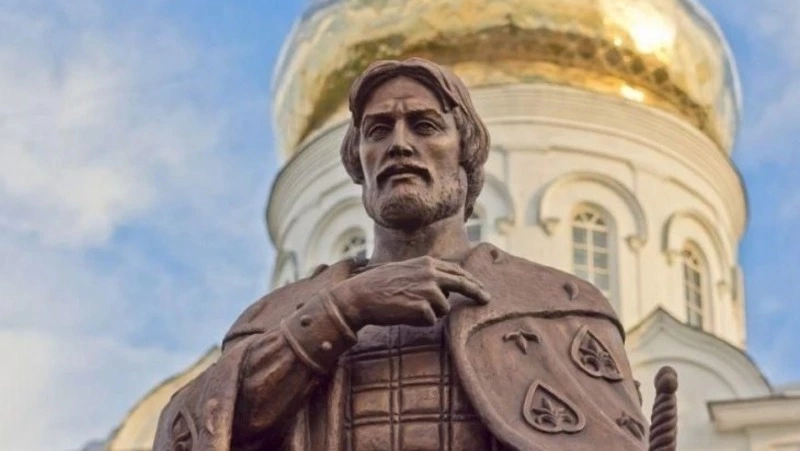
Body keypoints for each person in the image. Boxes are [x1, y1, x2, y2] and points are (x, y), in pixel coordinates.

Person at [155, 57, 651, 451]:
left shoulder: (559, 308)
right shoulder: (278, 318)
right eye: (377, 130)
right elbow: (201, 427)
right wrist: (346, 308)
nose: (399, 144)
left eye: (424, 125)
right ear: (359, 163)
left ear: (466, 154)